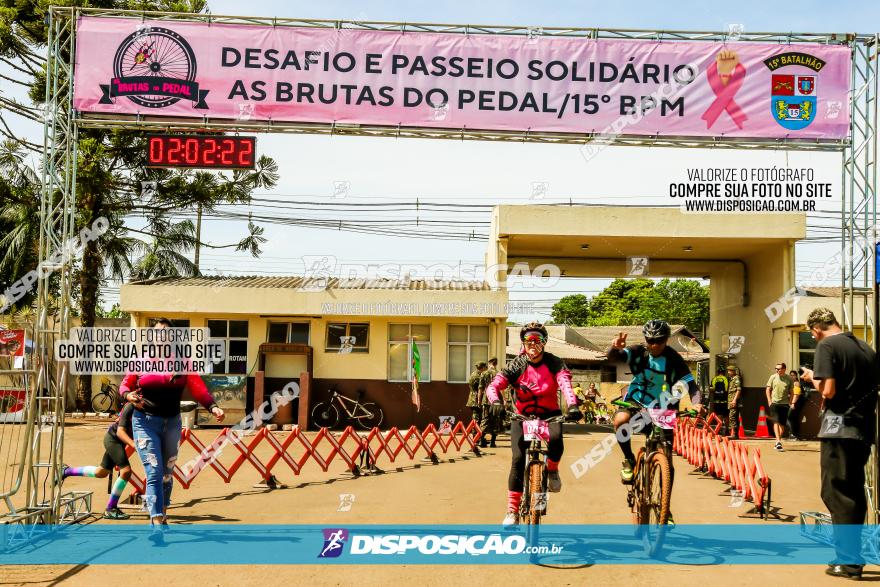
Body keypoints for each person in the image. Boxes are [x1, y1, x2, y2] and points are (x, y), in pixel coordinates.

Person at [118, 318, 225, 542]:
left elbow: (198, 388)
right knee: (154, 472)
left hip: (172, 423)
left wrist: (213, 406)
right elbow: (125, 385)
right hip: (145, 422)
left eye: (168, 333)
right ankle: (156, 523)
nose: (163, 336)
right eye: (159, 332)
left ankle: (162, 514)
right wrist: (128, 395)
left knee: (167, 473)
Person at [800, 308, 879, 580]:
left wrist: (812, 377)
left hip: (838, 429)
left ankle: (848, 562)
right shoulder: (866, 348)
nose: (812, 337)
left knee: (836, 493)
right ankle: (852, 557)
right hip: (863, 429)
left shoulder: (827, 345)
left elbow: (828, 389)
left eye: (811, 334)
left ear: (817, 328)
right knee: (854, 493)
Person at [606, 319, 703, 525]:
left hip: (664, 410)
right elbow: (614, 357)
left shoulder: (673, 358)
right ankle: (629, 459)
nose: (654, 345)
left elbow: (691, 386)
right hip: (637, 403)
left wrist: (697, 403)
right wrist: (614, 348)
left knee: (666, 459)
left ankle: (665, 509)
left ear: (666, 340)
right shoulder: (638, 352)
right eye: (650, 340)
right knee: (621, 420)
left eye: (658, 341)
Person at [484, 322, 578, 526]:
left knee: (556, 441)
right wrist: (496, 402)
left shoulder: (554, 362)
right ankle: (512, 511)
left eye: (538, 339)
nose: (533, 343)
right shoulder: (516, 364)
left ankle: (552, 470)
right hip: (522, 416)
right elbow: (493, 386)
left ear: (544, 342)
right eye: (528, 339)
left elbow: (565, 384)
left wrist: (572, 406)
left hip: (549, 415)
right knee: (518, 460)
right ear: (523, 343)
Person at [59, 400, 137, 519]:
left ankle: (66, 471)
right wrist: (134, 444)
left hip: (120, 442)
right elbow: (121, 432)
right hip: (113, 439)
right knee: (126, 471)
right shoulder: (131, 406)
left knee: (101, 472)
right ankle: (110, 508)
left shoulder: (151, 409)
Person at [765, 362, 793, 451]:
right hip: (774, 403)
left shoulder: (789, 378)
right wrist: (769, 400)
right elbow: (768, 389)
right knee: (776, 421)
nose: (777, 370)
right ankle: (778, 441)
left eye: (779, 368)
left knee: (782, 424)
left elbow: (792, 391)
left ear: (784, 369)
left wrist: (791, 402)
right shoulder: (773, 377)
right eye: (776, 368)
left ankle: (778, 441)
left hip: (785, 404)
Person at [480, 358, 501, 447]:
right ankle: (493, 442)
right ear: (496, 364)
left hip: (486, 399)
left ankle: (481, 440)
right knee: (495, 420)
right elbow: (501, 388)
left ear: (489, 363)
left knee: (485, 419)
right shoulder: (499, 374)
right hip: (496, 400)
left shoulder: (484, 373)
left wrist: (479, 400)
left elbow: (480, 388)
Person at [466, 361, 487, 444]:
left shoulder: (473, 374)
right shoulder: (479, 376)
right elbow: (480, 389)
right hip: (476, 399)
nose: (486, 368)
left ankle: (477, 437)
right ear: (482, 367)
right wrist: (479, 400)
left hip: (471, 398)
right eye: (485, 367)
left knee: (476, 418)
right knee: (477, 419)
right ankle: (476, 438)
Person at [711, 367, 729, 434]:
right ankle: (727, 430)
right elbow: (727, 390)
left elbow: (711, 389)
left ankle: (719, 429)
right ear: (724, 372)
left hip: (716, 401)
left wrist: (716, 392)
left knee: (719, 415)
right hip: (725, 401)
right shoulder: (726, 379)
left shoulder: (714, 379)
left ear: (718, 372)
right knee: (726, 415)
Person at [788, 369, 805, 440]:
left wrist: (793, 404)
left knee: (789, 417)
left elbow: (796, 395)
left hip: (796, 403)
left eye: (793, 375)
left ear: (796, 376)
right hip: (792, 403)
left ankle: (793, 434)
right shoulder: (790, 383)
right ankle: (795, 435)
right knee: (794, 419)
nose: (792, 376)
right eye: (790, 375)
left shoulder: (796, 383)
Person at [726, 365, 742, 439]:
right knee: (733, 417)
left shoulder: (736, 378)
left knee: (732, 417)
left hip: (733, 400)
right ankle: (734, 434)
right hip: (731, 400)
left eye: (729, 371)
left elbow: (739, 390)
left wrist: (734, 400)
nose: (728, 372)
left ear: (733, 371)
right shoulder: (732, 379)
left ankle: (734, 434)